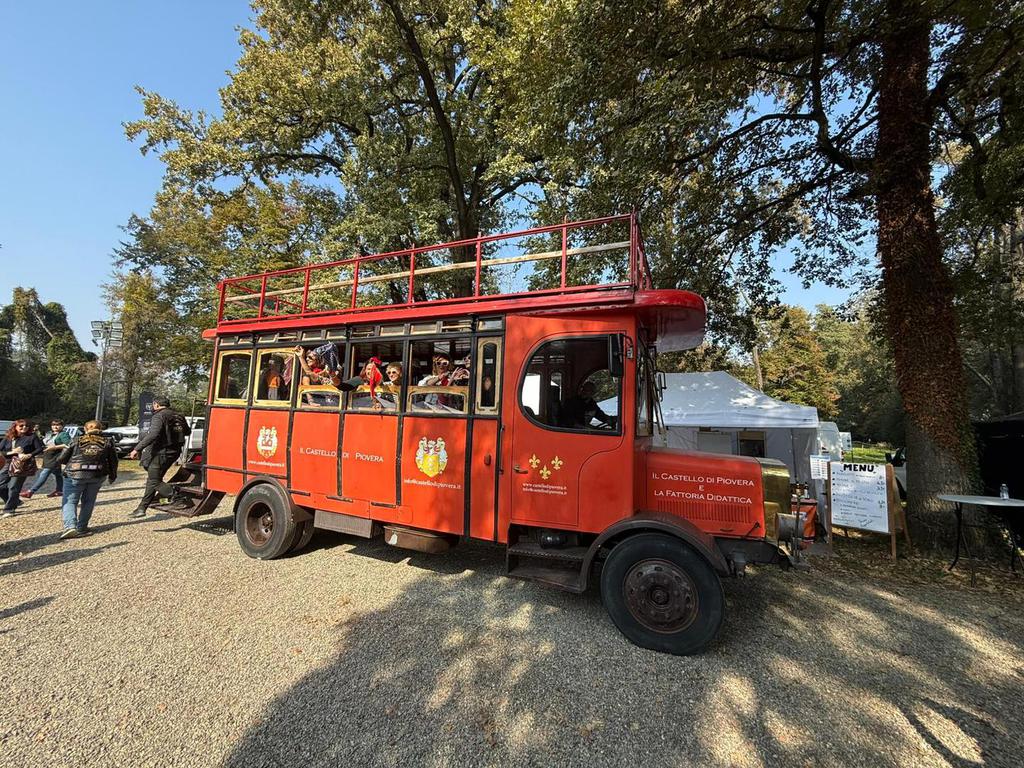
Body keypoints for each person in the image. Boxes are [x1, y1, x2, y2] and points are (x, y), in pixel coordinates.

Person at [128, 396, 191, 519]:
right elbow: (187, 432)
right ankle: (141, 508)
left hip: (161, 452)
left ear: (156, 404)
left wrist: (137, 449)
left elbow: (153, 434)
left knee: (154, 480)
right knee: (153, 479)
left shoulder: (159, 416)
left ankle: (178, 497)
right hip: (174, 452)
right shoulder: (179, 416)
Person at [56, 420, 118, 539]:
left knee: (70, 501)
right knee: (89, 501)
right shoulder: (108, 442)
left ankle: (70, 527)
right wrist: (112, 476)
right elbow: (113, 461)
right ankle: (82, 528)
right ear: (101, 429)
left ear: (85, 429)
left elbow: (61, 459)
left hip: (74, 474)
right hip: (97, 475)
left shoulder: (76, 440)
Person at [0, 419, 45, 518]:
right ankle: (15, 501)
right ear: (15, 427)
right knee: (1, 485)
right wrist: (12, 452)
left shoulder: (32, 437)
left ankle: (9, 509)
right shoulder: (8, 437)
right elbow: (1, 451)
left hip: (22, 464)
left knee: (14, 487)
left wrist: (29, 455)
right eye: (21, 426)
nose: (24, 427)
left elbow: (40, 448)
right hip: (8, 463)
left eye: (26, 426)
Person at [22, 419, 71, 499]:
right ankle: (59, 490)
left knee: (44, 473)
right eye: (53, 425)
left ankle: (31, 491)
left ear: (62, 426)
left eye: (58, 425)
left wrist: (54, 447)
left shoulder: (63, 434)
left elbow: (68, 444)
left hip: (55, 457)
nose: (55, 427)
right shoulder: (49, 433)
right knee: (57, 474)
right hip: (48, 456)